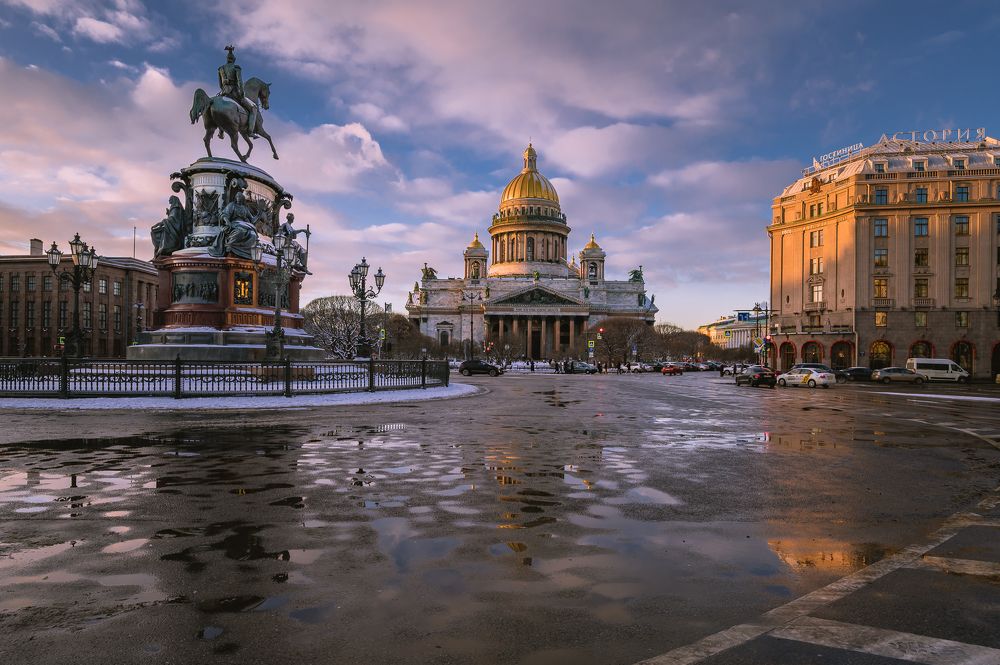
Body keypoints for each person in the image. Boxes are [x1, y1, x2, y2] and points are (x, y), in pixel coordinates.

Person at [218, 45, 259, 138]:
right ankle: (250, 132)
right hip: (235, 93)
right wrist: (242, 93)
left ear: (227, 59)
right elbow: (239, 81)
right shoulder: (236, 68)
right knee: (253, 109)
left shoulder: (221, 69)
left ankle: (221, 132)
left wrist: (224, 89)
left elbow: (220, 84)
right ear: (234, 60)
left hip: (224, 92)